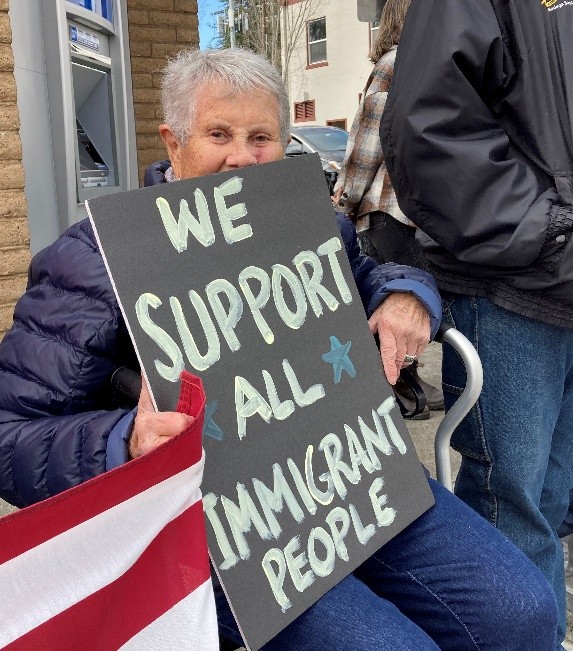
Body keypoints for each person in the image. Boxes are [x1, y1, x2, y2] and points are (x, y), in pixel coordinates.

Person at [0, 47, 559, 650]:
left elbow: (373, 273)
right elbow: (10, 434)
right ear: (173, 141)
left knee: (525, 610)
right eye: (219, 133)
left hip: (354, 477)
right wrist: (125, 444)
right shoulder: (94, 258)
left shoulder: (302, 220)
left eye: (262, 136)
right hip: (223, 530)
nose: (243, 157)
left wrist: (408, 294)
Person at [379, 0, 573, 645]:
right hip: (512, 286)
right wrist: (552, 229)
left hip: (556, 283)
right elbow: (429, 128)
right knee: (510, 515)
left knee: (546, 509)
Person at [332, 0, 443, 418]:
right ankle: (409, 387)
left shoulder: (394, 64)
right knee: (407, 302)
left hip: (386, 211)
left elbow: (368, 145)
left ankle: (391, 396)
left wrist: (343, 202)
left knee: (378, 307)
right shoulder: (438, 65)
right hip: (424, 216)